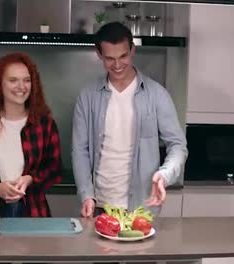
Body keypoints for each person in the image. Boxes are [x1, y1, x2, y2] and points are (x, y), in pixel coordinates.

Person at [72, 22, 188, 218]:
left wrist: (165, 175)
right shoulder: (87, 96)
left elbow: (178, 146)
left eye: (123, 56)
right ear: (99, 54)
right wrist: (86, 195)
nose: (117, 65)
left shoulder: (157, 95)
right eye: (109, 58)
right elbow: (79, 150)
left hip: (142, 207)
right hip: (99, 205)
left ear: (132, 50)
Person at [0, 52, 62, 217]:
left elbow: (54, 170)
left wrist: (30, 179)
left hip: (34, 213)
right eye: (13, 80)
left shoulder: (44, 123)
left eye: (27, 80)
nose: (21, 87)